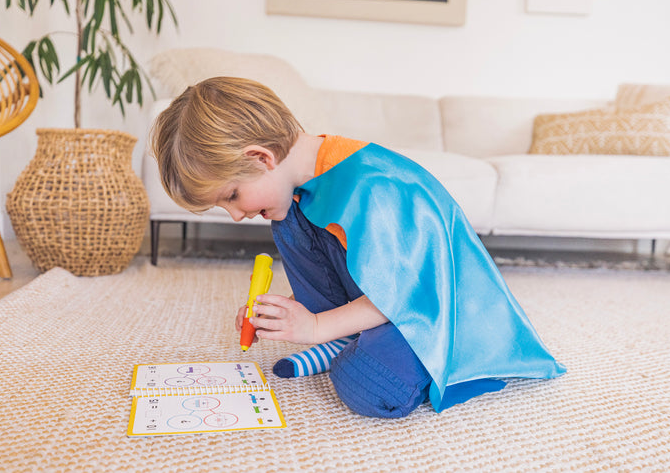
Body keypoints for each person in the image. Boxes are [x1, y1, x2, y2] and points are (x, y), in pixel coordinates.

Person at [150, 76, 566, 418]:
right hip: (386, 300)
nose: (236, 215)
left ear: (261, 158)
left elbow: (402, 294)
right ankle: (344, 334)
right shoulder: (299, 186)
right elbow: (349, 262)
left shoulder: (372, 186)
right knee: (285, 215)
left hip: (440, 313)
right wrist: (287, 311)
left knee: (369, 386)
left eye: (232, 196)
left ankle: (344, 340)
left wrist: (313, 328)